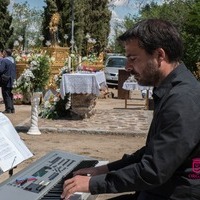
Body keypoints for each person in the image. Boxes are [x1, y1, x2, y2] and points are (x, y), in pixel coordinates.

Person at [61, 19, 200, 200]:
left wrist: (91, 184)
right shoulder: (175, 89)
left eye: (133, 59)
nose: (127, 67)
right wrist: (104, 169)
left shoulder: (182, 100)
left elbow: (153, 170)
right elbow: (153, 151)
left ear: (159, 55)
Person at [0, 49, 16, 113]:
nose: (2, 53)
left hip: (6, 79)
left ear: (6, 53)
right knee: (10, 94)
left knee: (6, 94)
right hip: (12, 79)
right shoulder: (13, 60)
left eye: (3, 52)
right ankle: (12, 108)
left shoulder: (4, 60)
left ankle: (8, 109)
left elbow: (1, 70)